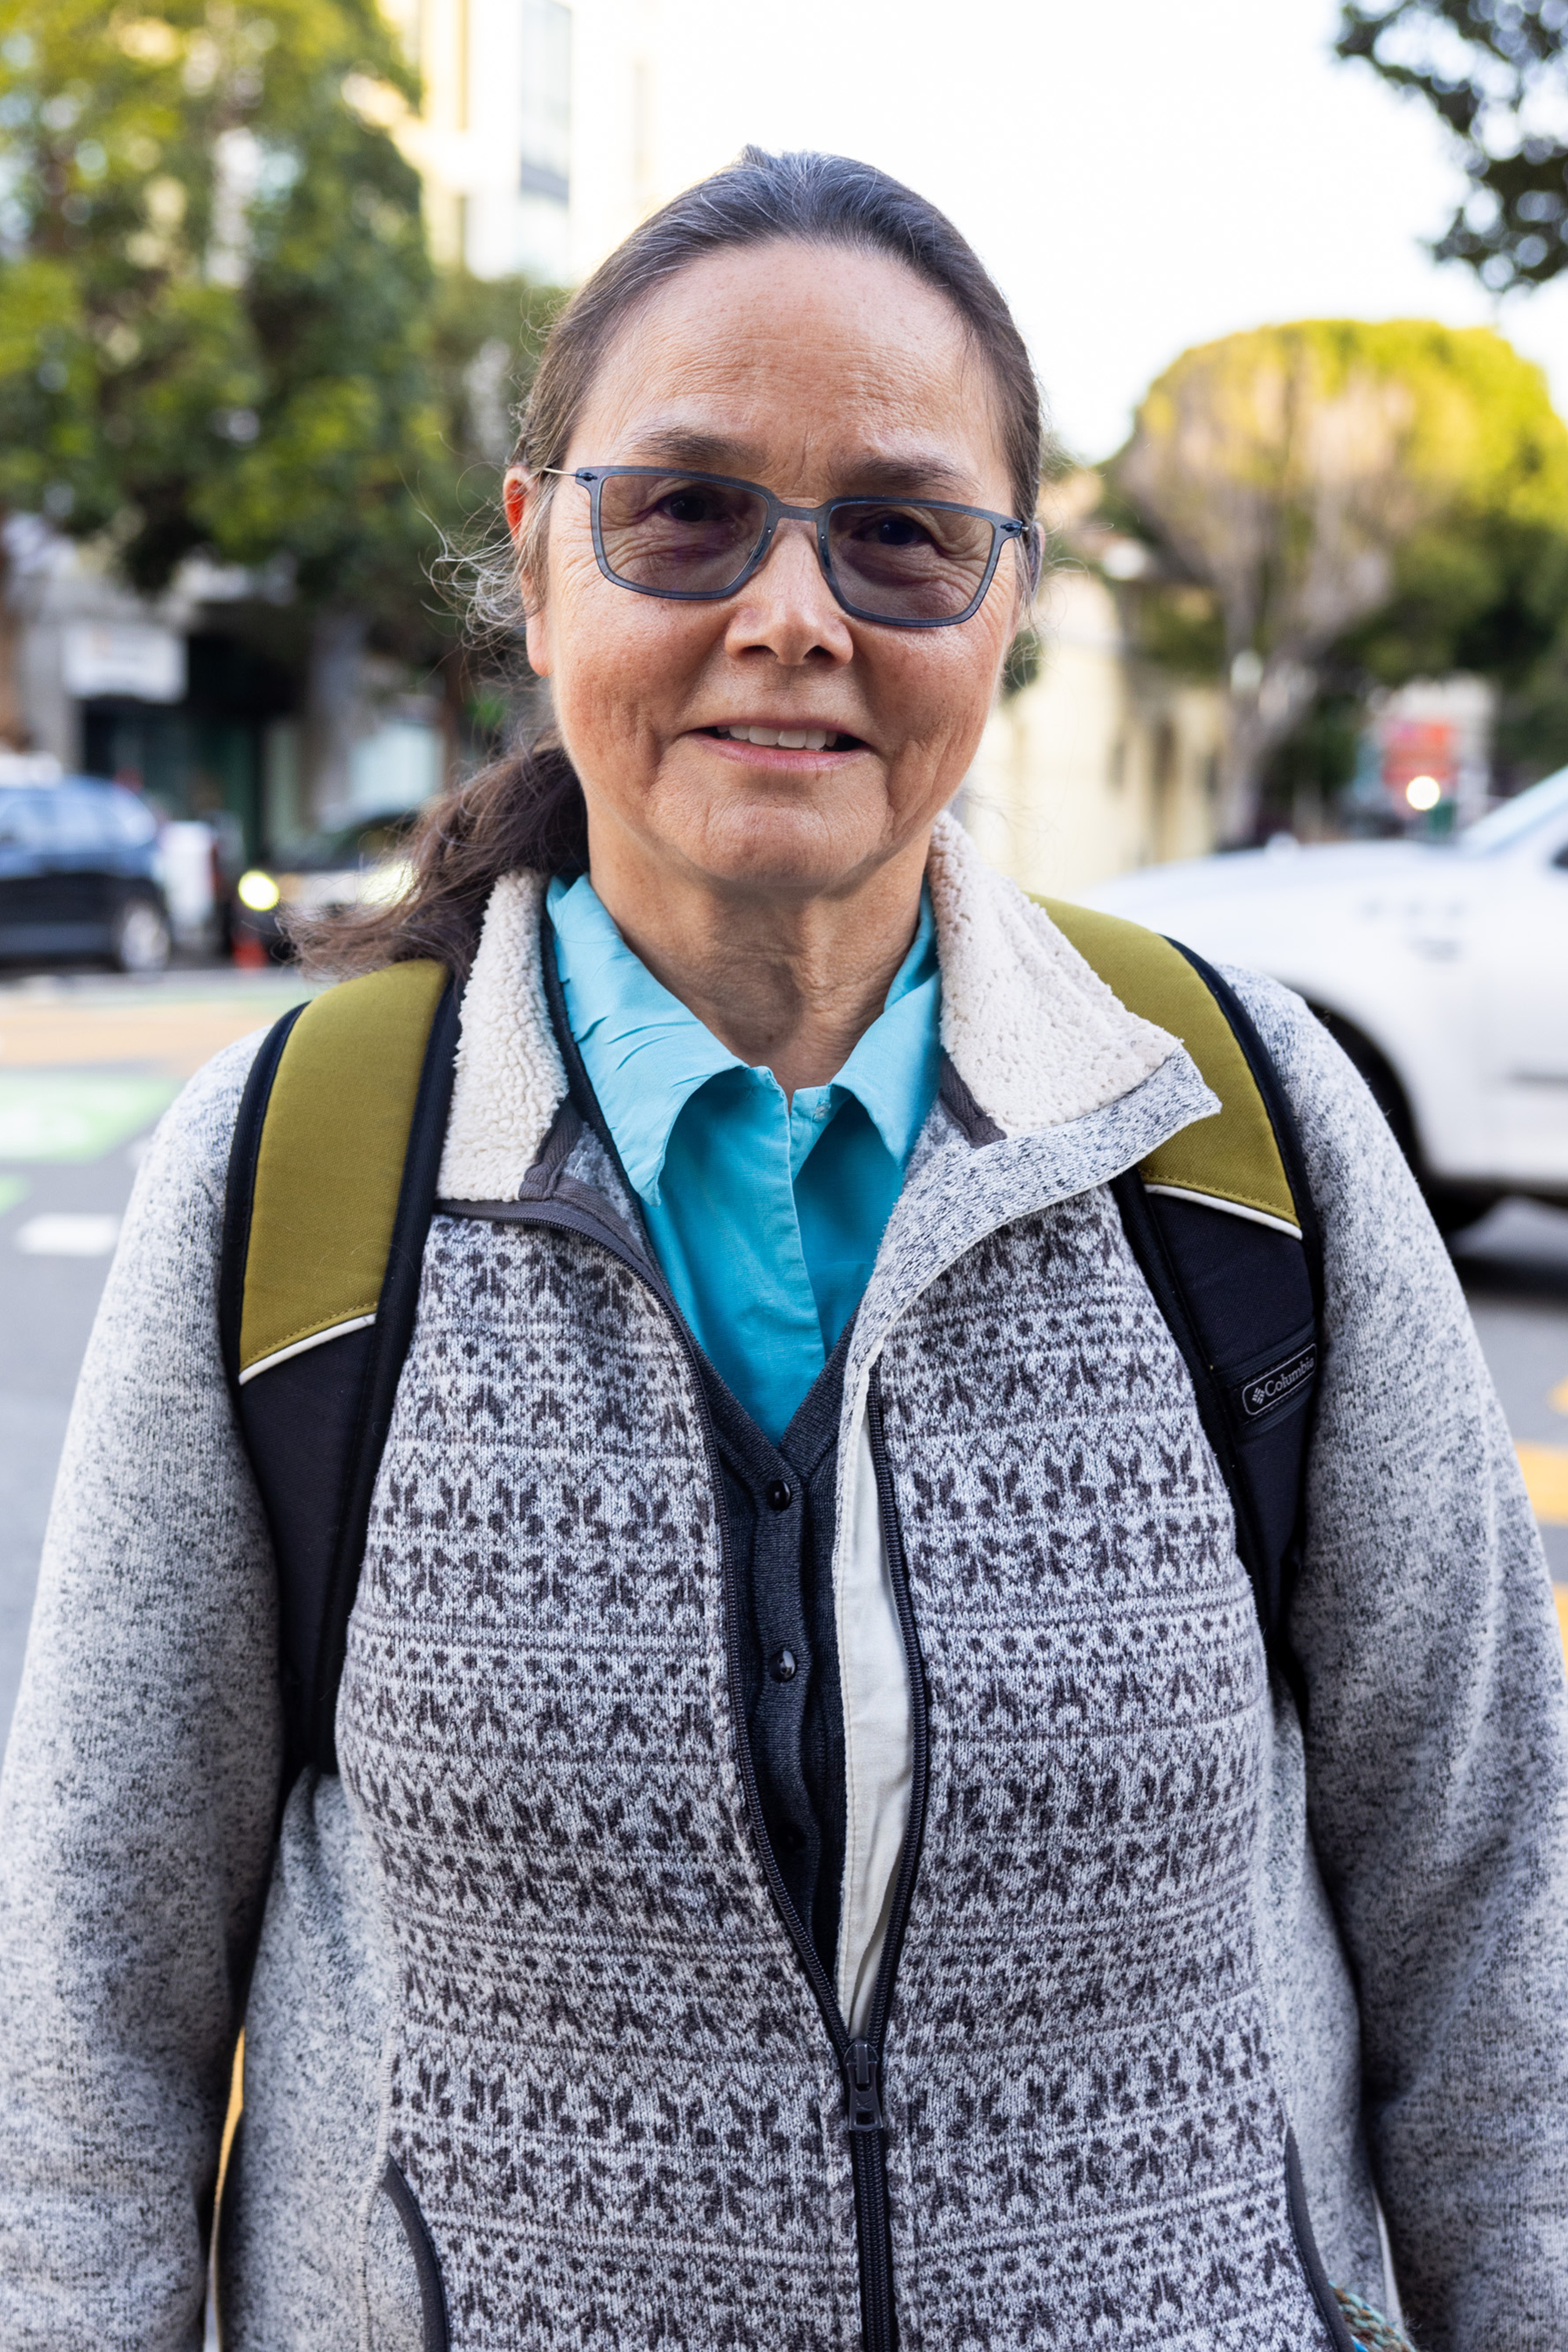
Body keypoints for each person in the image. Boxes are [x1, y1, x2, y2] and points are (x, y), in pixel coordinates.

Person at [0, 147, 1564, 2352]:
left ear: (1006, 604)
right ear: (538, 561)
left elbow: (1502, 1909)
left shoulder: (1241, 1127)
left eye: (904, 532)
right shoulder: (295, 1169)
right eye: (690, 512)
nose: (794, 616)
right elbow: (91, 2005)